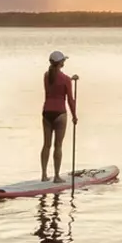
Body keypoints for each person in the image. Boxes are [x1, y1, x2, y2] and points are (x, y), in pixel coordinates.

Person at [40, 50, 78, 183]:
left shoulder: (46, 76)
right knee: (58, 146)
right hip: (60, 114)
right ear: (60, 63)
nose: (64, 62)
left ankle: (44, 175)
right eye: (63, 60)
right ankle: (56, 176)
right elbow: (70, 100)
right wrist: (74, 116)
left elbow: (54, 85)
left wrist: (71, 80)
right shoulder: (66, 79)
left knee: (46, 145)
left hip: (46, 112)